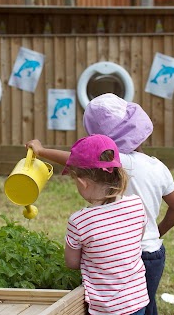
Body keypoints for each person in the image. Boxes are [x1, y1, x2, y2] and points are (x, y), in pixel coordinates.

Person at [26, 93, 174, 315]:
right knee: (143, 304)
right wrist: (156, 232)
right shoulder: (157, 166)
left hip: (116, 258)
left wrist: (41, 151)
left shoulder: (116, 163)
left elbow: (73, 159)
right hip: (152, 253)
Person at [63, 134, 149, 315]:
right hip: (138, 300)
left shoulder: (79, 221)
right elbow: (135, 241)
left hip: (106, 308)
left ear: (82, 182)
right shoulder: (137, 204)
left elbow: (71, 262)